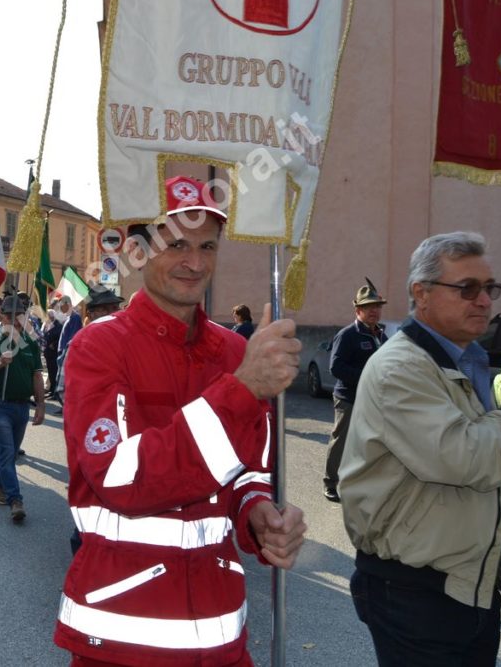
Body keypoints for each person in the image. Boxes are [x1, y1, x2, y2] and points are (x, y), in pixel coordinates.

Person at [53, 189, 306, 665]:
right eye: (178, 245)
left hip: (220, 636)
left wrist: (261, 514)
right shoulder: (98, 347)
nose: (195, 262)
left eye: (207, 246)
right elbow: (122, 478)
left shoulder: (235, 353)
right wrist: (241, 391)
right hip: (121, 640)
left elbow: (253, 469)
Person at [339, 231, 501, 665]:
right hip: (416, 592)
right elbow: (467, 459)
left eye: (490, 288)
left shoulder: (463, 358)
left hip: (467, 584)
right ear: (421, 293)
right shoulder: (403, 368)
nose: (484, 300)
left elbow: (487, 477)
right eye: (467, 288)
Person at [0, 293, 45, 522]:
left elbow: (37, 375)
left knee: (11, 453)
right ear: (2, 317)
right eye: (10, 316)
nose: (15, 321)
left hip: (22, 406)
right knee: (6, 452)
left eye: (19, 316)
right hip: (0, 405)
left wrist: (41, 404)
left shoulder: (30, 343)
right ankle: (16, 500)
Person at [322, 278, 388, 503]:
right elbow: (336, 367)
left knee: (369, 443)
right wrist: (366, 378)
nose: (375, 312)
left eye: (377, 307)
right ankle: (330, 483)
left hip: (373, 401)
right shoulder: (347, 335)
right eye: (369, 308)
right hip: (349, 398)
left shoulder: (380, 335)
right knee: (341, 441)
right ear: (358, 310)